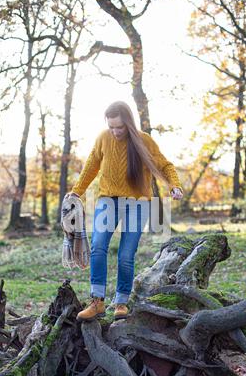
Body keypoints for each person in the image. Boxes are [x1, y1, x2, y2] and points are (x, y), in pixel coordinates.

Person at [67, 101, 183, 321]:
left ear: (128, 123)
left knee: (126, 256)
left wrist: (174, 185)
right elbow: (91, 165)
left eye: (119, 127)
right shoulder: (103, 138)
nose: (115, 131)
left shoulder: (144, 141)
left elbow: (165, 165)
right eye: (111, 126)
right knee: (98, 247)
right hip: (107, 201)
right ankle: (97, 301)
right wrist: (76, 192)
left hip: (138, 204)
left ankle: (121, 302)